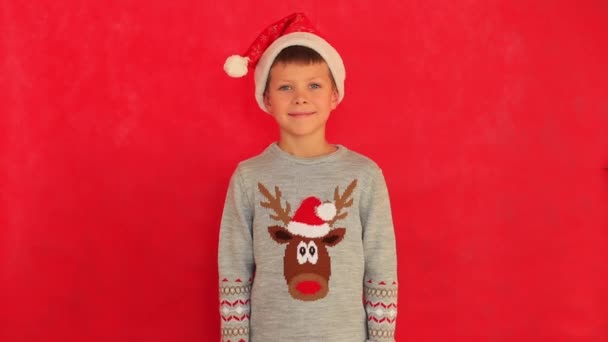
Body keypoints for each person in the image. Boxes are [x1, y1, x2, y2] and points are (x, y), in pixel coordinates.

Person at [218, 13, 398, 342]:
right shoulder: (249, 177)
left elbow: (381, 269)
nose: (300, 97)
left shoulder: (364, 175)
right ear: (267, 99)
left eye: (314, 85)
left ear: (334, 94)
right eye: (286, 87)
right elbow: (234, 271)